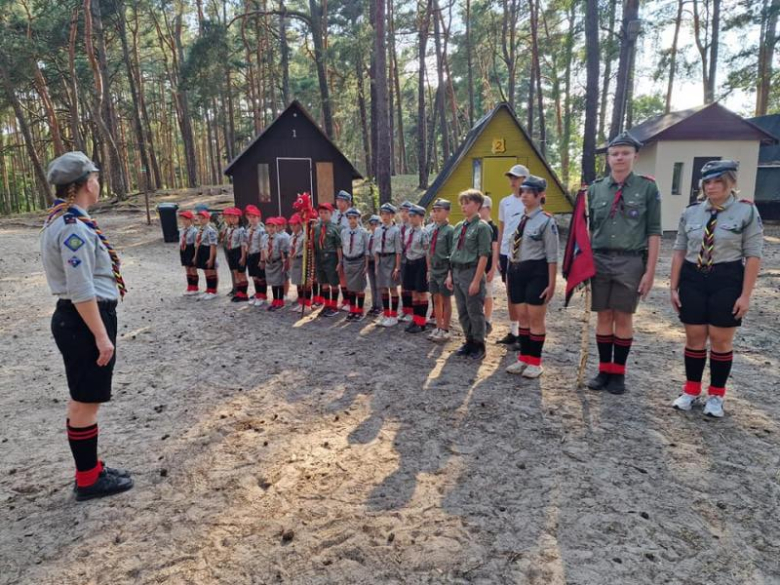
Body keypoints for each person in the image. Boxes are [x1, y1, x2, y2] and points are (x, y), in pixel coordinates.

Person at [40, 151, 134, 501]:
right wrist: (101, 336)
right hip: (83, 320)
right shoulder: (72, 229)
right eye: (94, 177)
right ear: (84, 185)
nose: (98, 183)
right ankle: (88, 479)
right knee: (84, 402)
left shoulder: (65, 221)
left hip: (81, 317)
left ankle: (90, 469)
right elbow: (80, 288)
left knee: (85, 399)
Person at [669, 160, 763, 418]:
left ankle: (716, 395)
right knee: (695, 337)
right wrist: (673, 286)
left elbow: (753, 256)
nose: (711, 187)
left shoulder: (746, 212)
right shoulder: (691, 212)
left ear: (731, 182)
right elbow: (679, 250)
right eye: (707, 182)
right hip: (693, 278)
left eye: (718, 181)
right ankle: (691, 390)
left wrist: (745, 295)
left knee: (721, 340)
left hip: (727, 278)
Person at [586, 132, 661, 395]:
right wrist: (583, 265)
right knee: (604, 315)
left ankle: (619, 374)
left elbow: (654, 231)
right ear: (608, 158)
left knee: (623, 316)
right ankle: (604, 369)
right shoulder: (595, 189)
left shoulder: (647, 188)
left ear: (635, 156)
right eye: (615, 153)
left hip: (630, 261)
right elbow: (587, 231)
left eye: (625, 153)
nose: (619, 157)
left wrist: (650, 272)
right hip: (600, 260)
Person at [503, 177, 559, 379]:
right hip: (516, 270)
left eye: (529, 191)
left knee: (535, 318)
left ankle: (536, 362)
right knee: (523, 317)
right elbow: (511, 247)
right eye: (523, 191)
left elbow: (552, 256)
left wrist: (552, 284)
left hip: (537, 272)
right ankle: (524, 358)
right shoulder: (519, 217)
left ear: (540, 195)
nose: (524, 194)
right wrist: (510, 272)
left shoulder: (546, 221)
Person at [446, 189, 493, 359]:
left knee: (474, 310)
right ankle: (469, 341)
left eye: (468, 203)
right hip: (457, 271)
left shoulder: (482, 227)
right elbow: (453, 252)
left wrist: (476, 280)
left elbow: (484, 255)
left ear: (478, 205)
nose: (464, 207)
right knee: (462, 310)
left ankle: (479, 344)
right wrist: (450, 275)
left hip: (472, 271)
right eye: (462, 203)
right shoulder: (459, 226)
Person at [496, 164, 529, 347]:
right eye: (511, 178)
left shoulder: (529, 201)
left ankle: (526, 333)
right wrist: (499, 253)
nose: (513, 181)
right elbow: (502, 229)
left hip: (524, 255)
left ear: (525, 179)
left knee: (523, 295)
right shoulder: (504, 202)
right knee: (510, 293)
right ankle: (514, 331)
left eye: (516, 177)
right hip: (506, 254)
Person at [427, 199, 455, 342]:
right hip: (434, 269)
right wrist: (429, 269)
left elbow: (453, 253)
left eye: (439, 210)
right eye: (435, 210)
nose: (436, 214)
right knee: (435, 298)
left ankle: (445, 328)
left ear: (447, 211)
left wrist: (450, 274)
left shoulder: (450, 231)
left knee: (446, 299)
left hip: (444, 269)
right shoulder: (433, 229)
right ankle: (438, 327)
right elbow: (429, 251)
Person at [402, 205, 430, 333]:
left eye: (414, 216)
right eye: (410, 216)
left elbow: (427, 252)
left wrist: (428, 269)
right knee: (413, 292)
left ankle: (422, 322)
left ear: (421, 217)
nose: (411, 218)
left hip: (420, 263)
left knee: (421, 292)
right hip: (410, 262)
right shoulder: (408, 231)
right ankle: (415, 318)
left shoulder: (424, 233)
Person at [375, 203, 403, 327]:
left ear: (392, 215)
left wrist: (397, 267)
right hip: (381, 259)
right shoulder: (377, 229)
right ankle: (386, 314)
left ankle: (394, 316)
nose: (385, 217)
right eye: (382, 214)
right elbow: (376, 248)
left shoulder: (396, 231)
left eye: (387, 214)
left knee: (392, 288)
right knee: (383, 288)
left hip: (391, 259)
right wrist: (376, 264)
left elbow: (398, 250)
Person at [313, 203, 343, 317]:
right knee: (324, 283)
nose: (323, 215)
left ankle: (334, 306)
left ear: (331, 214)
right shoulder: (316, 228)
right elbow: (314, 244)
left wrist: (340, 261)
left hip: (331, 257)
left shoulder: (336, 228)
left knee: (333, 282)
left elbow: (338, 246)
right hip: (319, 257)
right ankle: (327, 305)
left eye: (326, 212)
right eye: (321, 212)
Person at [341, 208, 371, 321]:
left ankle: (360, 311)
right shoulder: (344, 232)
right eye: (350, 218)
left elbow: (367, 250)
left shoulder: (364, 233)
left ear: (359, 218)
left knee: (359, 288)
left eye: (355, 218)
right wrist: (342, 262)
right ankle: (352, 310)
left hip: (359, 262)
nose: (352, 220)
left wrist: (366, 265)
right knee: (350, 288)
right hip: (348, 261)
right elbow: (343, 246)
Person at [479, 195, 500, 335]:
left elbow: (495, 248)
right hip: (477, 266)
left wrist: (492, 268)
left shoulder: (493, 227)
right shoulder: (478, 225)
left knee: (487, 293)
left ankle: (487, 319)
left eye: (481, 208)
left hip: (487, 266)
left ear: (488, 209)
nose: (479, 211)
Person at [262, 218, 291, 311]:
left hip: (278, 262)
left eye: (273, 226)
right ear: (266, 227)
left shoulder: (280, 238)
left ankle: (280, 301)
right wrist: (262, 260)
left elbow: (282, 251)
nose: (271, 229)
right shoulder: (264, 238)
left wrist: (284, 263)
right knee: (273, 283)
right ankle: (275, 300)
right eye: (268, 226)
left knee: (279, 282)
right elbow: (263, 249)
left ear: (276, 227)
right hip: (269, 263)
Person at [223, 208, 249, 302]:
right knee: (235, 273)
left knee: (241, 273)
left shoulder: (241, 230)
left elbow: (243, 244)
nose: (233, 219)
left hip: (239, 252)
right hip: (231, 252)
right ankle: (239, 292)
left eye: (235, 217)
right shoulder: (230, 229)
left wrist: (243, 256)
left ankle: (244, 294)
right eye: (231, 217)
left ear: (239, 218)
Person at [244, 205, 267, 307]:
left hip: (258, 255)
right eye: (250, 217)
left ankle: (262, 296)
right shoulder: (248, 230)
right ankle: (258, 294)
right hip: (251, 255)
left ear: (259, 218)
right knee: (254, 277)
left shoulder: (261, 231)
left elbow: (263, 247)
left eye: (254, 217)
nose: (252, 219)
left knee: (260, 277)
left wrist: (262, 260)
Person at [333, 190, 353, 310]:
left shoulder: (352, 215)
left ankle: (351, 301)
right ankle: (345, 299)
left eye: (342, 201)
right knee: (341, 275)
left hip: (347, 250)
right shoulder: (335, 214)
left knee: (348, 276)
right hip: (336, 249)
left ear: (348, 203)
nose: (339, 203)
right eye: (338, 201)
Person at [194, 210, 219, 300]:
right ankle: (208, 289)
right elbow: (197, 243)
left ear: (208, 219)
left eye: (203, 218)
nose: (201, 220)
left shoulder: (210, 231)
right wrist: (196, 256)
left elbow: (213, 245)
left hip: (208, 251)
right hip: (202, 251)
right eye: (199, 218)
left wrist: (211, 258)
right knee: (206, 271)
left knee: (211, 271)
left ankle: (213, 290)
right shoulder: (200, 229)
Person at [288, 213, 310, 313]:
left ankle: (307, 304)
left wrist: (296, 254)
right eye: (291, 225)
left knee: (304, 283)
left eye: (295, 224)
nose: (292, 227)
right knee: (298, 282)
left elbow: (305, 249)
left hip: (302, 260)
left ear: (300, 224)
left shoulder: (304, 235)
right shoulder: (292, 235)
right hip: (295, 261)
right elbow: (291, 247)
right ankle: (301, 302)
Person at [398, 200, 414, 322]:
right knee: (403, 286)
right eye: (402, 211)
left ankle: (412, 312)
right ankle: (405, 310)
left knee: (411, 287)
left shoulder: (414, 227)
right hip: (402, 260)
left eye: (407, 211)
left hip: (411, 260)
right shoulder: (399, 227)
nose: (404, 214)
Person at [178, 210, 199, 296]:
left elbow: (196, 244)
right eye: (182, 219)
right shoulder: (182, 230)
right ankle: (190, 286)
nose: (184, 221)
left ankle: (195, 287)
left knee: (192, 269)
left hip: (191, 250)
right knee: (187, 269)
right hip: (184, 250)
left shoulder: (194, 231)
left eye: (186, 219)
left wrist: (195, 255)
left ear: (191, 220)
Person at [366, 215, 383, 316]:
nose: (374, 226)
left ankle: (379, 306)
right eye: (372, 224)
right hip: (370, 262)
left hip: (378, 262)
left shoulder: (381, 236)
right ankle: (374, 305)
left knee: (379, 285)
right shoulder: (369, 236)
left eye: (376, 224)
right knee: (372, 285)